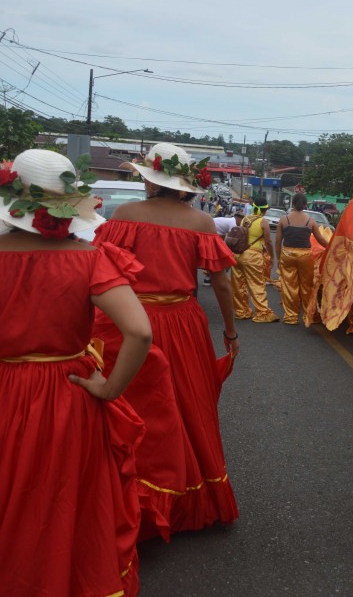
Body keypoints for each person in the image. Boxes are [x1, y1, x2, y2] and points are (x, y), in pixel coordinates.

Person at [0, 149, 151, 597]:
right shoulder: (89, 258)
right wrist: (110, 389)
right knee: (59, 498)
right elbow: (139, 332)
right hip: (66, 392)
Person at [91, 142, 242, 539]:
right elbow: (222, 284)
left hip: (129, 317)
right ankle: (188, 496)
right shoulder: (201, 223)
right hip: (182, 318)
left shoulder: (125, 215)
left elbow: (102, 271)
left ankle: (128, 495)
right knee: (189, 404)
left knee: (132, 405)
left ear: (151, 180)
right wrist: (229, 331)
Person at [275, 193, 330, 324]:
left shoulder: (284, 220)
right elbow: (321, 240)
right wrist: (332, 247)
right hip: (305, 255)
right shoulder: (310, 221)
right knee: (307, 286)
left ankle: (291, 317)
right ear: (305, 204)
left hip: (287, 254)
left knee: (289, 286)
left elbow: (277, 242)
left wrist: (278, 259)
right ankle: (308, 315)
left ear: (292, 204)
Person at [231, 199, 279, 323]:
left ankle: (242, 311)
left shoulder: (245, 219)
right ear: (264, 210)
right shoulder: (263, 221)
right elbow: (268, 241)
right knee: (257, 284)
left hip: (238, 254)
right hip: (252, 256)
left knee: (238, 284)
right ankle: (263, 312)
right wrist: (272, 257)